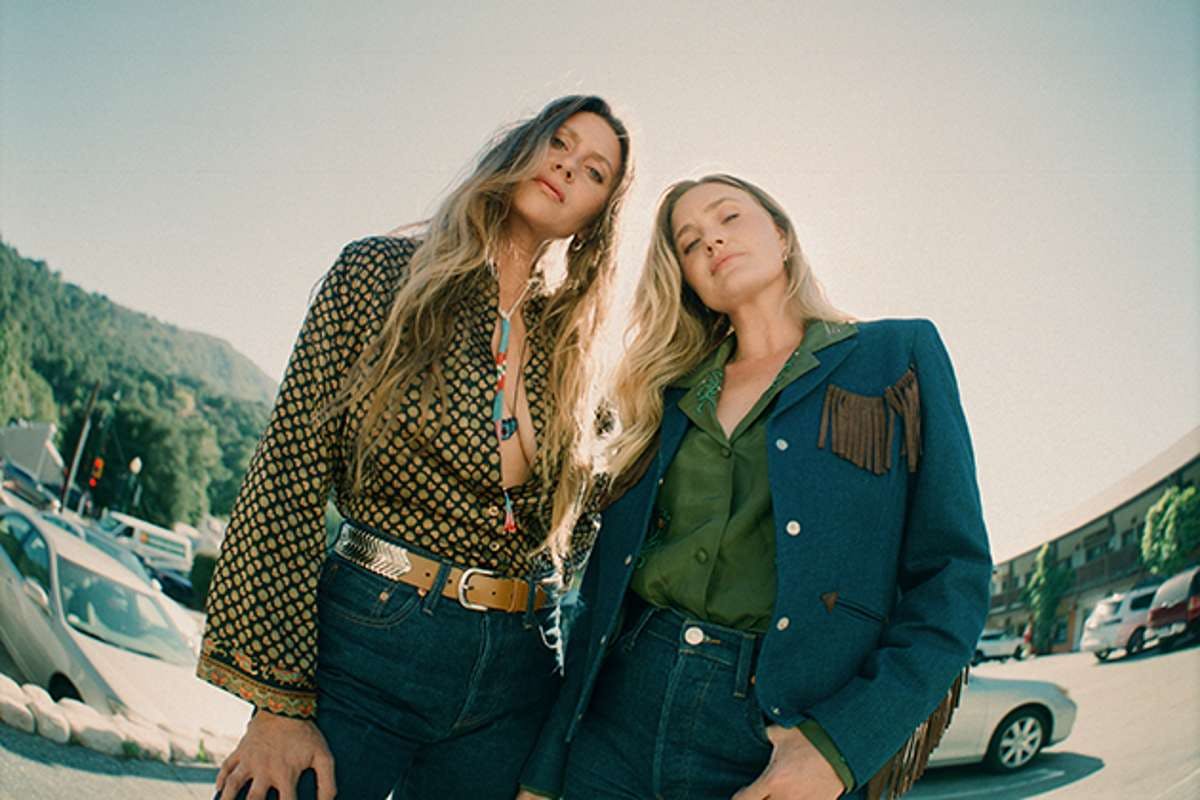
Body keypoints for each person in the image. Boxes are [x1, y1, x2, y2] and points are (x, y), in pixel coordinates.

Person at [198, 95, 631, 800]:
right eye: (559, 142)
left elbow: (578, 541)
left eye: (593, 171)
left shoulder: (579, 355)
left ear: (595, 219)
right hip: (367, 642)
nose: (566, 166)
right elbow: (289, 469)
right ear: (522, 145)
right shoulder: (379, 276)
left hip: (514, 679)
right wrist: (277, 703)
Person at [518, 174, 992, 800]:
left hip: (776, 734)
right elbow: (600, 592)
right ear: (688, 280)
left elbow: (953, 579)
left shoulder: (895, 355)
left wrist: (839, 749)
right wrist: (546, 770)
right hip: (619, 716)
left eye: (729, 217)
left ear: (783, 236)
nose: (712, 241)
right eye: (690, 243)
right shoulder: (664, 395)